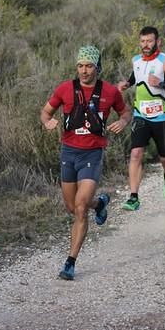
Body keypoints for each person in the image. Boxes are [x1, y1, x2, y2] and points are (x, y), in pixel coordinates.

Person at [41, 45, 131, 280]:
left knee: (80, 208)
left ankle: (70, 263)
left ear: (97, 68)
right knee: (72, 207)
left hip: (92, 154)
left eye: (89, 66)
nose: (84, 70)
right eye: (80, 66)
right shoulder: (65, 89)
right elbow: (45, 112)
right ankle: (99, 204)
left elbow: (125, 112)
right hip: (68, 153)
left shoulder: (110, 92)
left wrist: (122, 122)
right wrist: (47, 122)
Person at [117, 26, 165, 211]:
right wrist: (127, 83)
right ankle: (133, 197)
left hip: (162, 117)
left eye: (149, 41)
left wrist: (162, 83)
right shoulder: (136, 60)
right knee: (135, 153)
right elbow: (136, 76)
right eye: (142, 41)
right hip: (140, 115)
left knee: (164, 157)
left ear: (158, 41)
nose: (145, 45)